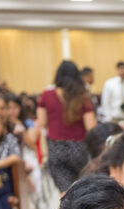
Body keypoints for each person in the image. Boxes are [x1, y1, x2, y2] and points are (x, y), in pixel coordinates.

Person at [35, 61, 96, 193]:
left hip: (56, 147)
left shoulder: (47, 95)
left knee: (65, 192)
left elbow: (42, 121)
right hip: (78, 148)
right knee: (81, 189)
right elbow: (91, 127)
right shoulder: (83, 95)